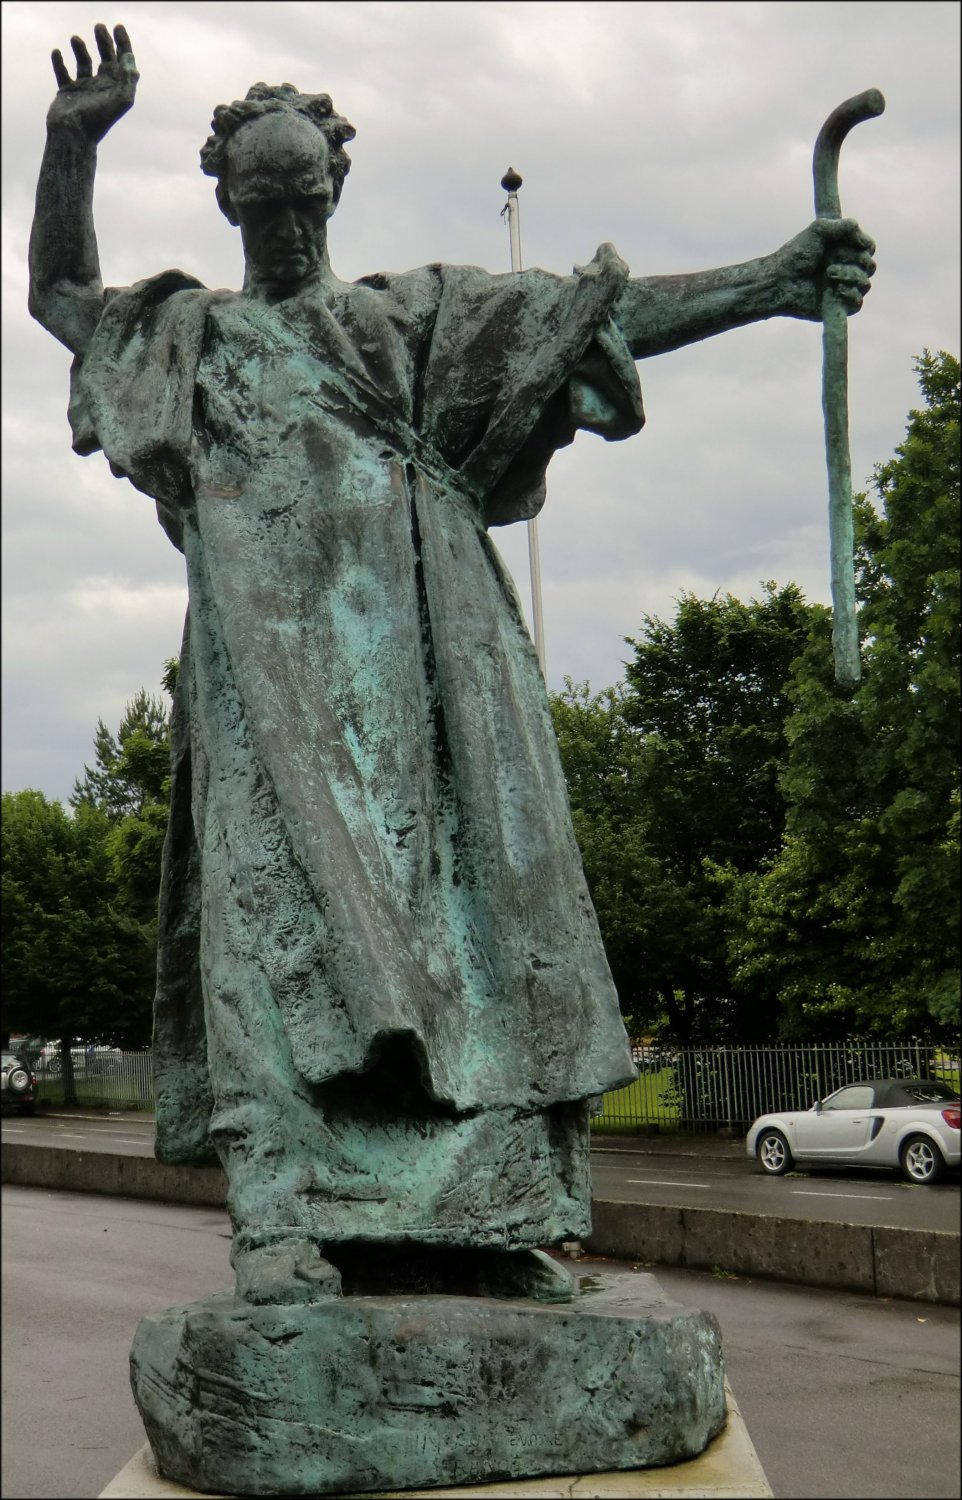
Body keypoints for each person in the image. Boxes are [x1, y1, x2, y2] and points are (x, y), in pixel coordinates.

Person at [30, 26, 875, 1305]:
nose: (286, 221)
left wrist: (773, 276)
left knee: (482, 929)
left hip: (431, 685)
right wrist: (69, 148)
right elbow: (59, 300)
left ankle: (486, 1218)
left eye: (303, 195)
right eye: (262, 201)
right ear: (228, 202)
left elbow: (595, 318)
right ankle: (282, 1216)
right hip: (264, 696)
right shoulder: (188, 342)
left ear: (333, 191)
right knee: (269, 940)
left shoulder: (410, 326)